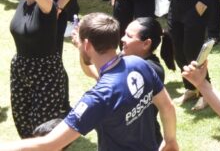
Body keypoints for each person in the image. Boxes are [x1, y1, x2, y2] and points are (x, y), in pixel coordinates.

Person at [0, 12, 178, 151]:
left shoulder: (97, 98)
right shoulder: (139, 64)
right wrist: (170, 141)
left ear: (87, 45)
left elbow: (49, 144)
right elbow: (167, 107)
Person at [0, 0, 68, 138]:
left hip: (45, 72)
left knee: (41, 126)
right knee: (21, 121)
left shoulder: (47, 6)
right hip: (21, 67)